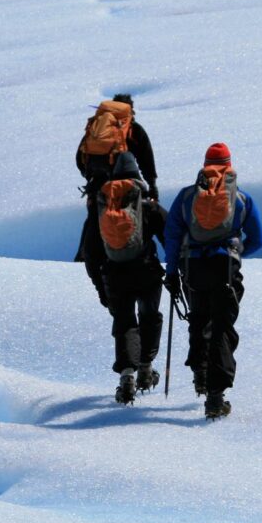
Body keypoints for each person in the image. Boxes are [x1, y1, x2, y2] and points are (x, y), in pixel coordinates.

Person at [163, 143, 262, 419]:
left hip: (193, 269)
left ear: (205, 164)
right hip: (225, 269)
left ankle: (200, 374)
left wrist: (172, 272)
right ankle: (216, 398)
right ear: (229, 165)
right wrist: (237, 251)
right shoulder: (241, 199)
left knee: (199, 319)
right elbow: (258, 240)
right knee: (222, 327)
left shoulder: (186, 197)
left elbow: (172, 236)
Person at [95, 152, 167, 404]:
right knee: (150, 317)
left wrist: (100, 285)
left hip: (115, 275)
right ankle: (146, 369)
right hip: (147, 271)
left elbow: (91, 252)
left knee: (125, 322)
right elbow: (172, 237)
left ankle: (127, 377)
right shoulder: (148, 206)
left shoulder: (102, 206)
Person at [76, 93, 159, 309]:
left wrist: (93, 176)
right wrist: (152, 186)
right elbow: (146, 158)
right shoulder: (132, 128)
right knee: (135, 220)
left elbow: (79, 158)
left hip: (98, 188)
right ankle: (133, 254)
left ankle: (85, 256)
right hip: (130, 188)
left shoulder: (96, 128)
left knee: (95, 223)